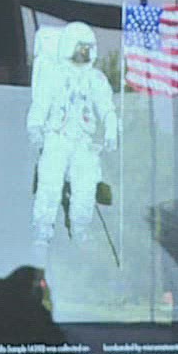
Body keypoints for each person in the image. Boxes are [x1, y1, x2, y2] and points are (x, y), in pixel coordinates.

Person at [27, 20, 116, 258]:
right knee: (49, 186)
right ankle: (42, 233)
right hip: (57, 138)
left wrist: (111, 129)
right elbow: (41, 103)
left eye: (87, 49)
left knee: (85, 189)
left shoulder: (95, 79)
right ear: (68, 46)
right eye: (79, 48)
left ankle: (80, 231)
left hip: (84, 142)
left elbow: (106, 107)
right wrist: (35, 126)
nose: (83, 53)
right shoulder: (53, 75)